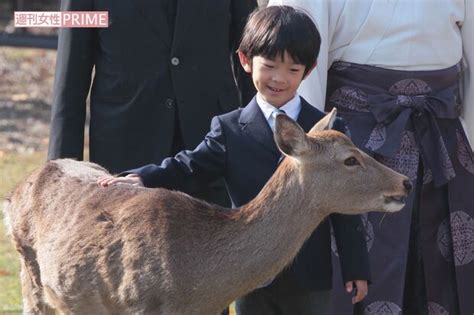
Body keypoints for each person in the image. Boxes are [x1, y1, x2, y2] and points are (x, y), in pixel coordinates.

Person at [98, 6, 370, 315]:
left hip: (308, 278)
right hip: (245, 276)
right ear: (244, 60)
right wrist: (144, 178)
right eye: (269, 66)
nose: (279, 79)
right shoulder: (229, 128)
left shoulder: (327, 130)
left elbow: (347, 203)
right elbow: (191, 166)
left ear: (309, 70)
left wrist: (356, 266)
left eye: (293, 70)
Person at [269, 0, 474, 314]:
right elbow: (296, 58)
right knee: (351, 275)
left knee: (441, 279)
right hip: (351, 149)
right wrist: (308, 159)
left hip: (441, 145)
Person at [48, 0, 257, 205]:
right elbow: (71, 79)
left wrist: (258, 144)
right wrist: (61, 178)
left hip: (208, 152)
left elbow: (254, 53)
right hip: (124, 157)